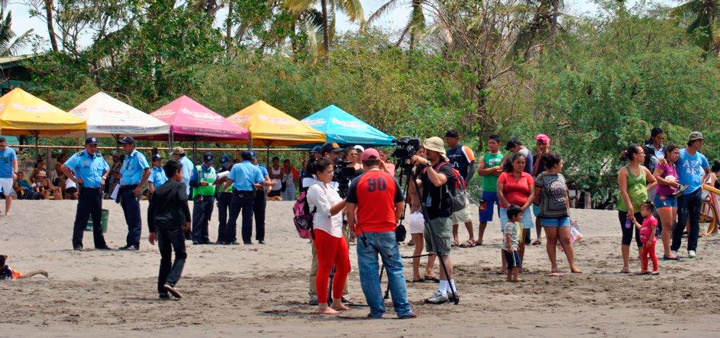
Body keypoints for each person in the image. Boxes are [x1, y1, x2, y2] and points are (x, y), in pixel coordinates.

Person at [346, 149, 416, 319]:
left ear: (363, 164)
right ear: (379, 161)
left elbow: (350, 211)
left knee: (369, 271)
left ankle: (377, 310)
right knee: (395, 269)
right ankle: (403, 310)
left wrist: (352, 227)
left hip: (365, 231)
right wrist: (392, 219)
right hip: (387, 230)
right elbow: (400, 206)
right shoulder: (390, 180)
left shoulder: (357, 181)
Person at [412, 137, 458, 304]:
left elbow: (438, 181)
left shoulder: (445, 168)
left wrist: (427, 164)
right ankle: (451, 288)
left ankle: (443, 291)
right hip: (429, 215)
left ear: (438, 152)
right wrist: (412, 169)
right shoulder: (426, 169)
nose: (426, 152)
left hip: (441, 216)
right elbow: (415, 188)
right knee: (440, 253)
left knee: (443, 254)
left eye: (429, 150)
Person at [306, 158, 350, 315]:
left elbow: (340, 208)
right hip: (323, 229)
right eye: (329, 172)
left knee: (345, 266)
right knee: (324, 267)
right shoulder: (315, 189)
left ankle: (337, 301)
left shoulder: (330, 187)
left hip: (337, 229)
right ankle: (322, 304)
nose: (332, 174)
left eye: (332, 171)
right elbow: (328, 211)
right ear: (318, 173)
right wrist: (347, 200)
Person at [147, 160, 191, 299]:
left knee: (165, 257)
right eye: (181, 172)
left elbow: (151, 210)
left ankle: (162, 290)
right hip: (173, 224)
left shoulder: (158, 189)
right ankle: (170, 282)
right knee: (181, 254)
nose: (182, 175)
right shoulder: (180, 186)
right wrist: (188, 220)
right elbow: (183, 201)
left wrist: (151, 230)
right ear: (176, 172)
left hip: (159, 226)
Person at [535, 153, 581, 274]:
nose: (562, 165)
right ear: (555, 164)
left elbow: (565, 194)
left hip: (563, 213)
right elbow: (536, 195)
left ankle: (572, 265)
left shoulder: (561, 176)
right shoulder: (541, 177)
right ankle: (554, 266)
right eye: (561, 163)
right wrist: (544, 206)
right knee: (551, 239)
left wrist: (568, 211)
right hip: (548, 214)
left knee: (566, 239)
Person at [62, 137, 111, 251]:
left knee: (97, 218)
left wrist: (104, 177)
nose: (93, 148)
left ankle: (100, 244)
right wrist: (74, 179)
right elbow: (64, 167)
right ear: (86, 146)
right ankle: (78, 244)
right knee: (82, 218)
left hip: (97, 191)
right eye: (91, 146)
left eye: (95, 146)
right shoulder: (78, 157)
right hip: (86, 190)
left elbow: (107, 168)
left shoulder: (99, 157)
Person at [617, 144, 657, 273]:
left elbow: (654, 181)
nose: (644, 155)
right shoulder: (624, 171)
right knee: (627, 235)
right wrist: (629, 207)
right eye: (641, 152)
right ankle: (625, 266)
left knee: (642, 236)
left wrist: (645, 189)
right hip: (626, 208)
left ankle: (643, 265)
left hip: (643, 208)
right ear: (634, 155)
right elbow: (623, 190)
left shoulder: (644, 169)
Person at [671, 132, 709, 259]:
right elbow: (670, 161)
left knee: (695, 221)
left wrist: (703, 182)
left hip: (697, 191)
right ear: (692, 141)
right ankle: (674, 247)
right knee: (681, 220)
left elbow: (707, 171)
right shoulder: (680, 154)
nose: (700, 143)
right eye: (698, 141)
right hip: (683, 191)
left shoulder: (701, 157)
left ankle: (692, 248)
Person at [497, 152, 535, 272]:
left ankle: (518, 265)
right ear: (512, 163)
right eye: (518, 162)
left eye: (523, 163)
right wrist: (508, 206)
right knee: (507, 238)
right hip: (506, 210)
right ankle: (505, 266)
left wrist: (524, 207)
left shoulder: (527, 177)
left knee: (520, 239)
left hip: (522, 211)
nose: (521, 165)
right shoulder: (504, 175)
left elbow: (532, 193)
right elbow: (500, 192)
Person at [407, 146, 438, 282]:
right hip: (423, 215)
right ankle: (429, 270)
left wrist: (410, 172)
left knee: (418, 247)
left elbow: (411, 190)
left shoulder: (414, 180)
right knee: (435, 245)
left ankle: (415, 275)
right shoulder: (425, 179)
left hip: (413, 215)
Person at [221, 151, 264, 245]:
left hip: (237, 194)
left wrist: (225, 187)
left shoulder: (236, 166)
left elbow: (231, 180)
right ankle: (247, 240)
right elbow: (261, 182)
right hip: (249, 194)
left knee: (232, 217)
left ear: (241, 158)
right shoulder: (255, 168)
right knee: (247, 218)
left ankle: (228, 239)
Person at [117, 136, 151, 251]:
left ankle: (134, 243)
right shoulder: (127, 158)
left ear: (132, 145)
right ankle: (130, 241)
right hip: (124, 189)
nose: (124, 147)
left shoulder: (138, 156)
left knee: (134, 217)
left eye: (126, 145)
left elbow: (147, 170)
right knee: (128, 217)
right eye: (123, 145)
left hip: (133, 189)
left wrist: (140, 186)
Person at [445, 130, 476, 248]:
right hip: (450, 187)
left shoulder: (464, 149)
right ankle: (455, 239)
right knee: (452, 214)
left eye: (450, 138)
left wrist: (466, 181)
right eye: (447, 139)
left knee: (464, 212)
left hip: (460, 187)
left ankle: (472, 238)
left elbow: (472, 166)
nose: (448, 141)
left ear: (456, 138)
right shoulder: (447, 153)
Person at [653, 145, 681, 260]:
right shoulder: (663, 163)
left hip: (673, 196)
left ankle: (668, 251)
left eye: (678, 153)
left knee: (671, 224)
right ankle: (667, 252)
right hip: (663, 197)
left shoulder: (673, 166)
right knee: (667, 225)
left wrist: (677, 186)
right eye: (675, 153)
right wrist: (669, 183)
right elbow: (656, 177)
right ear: (668, 153)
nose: (677, 155)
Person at [477, 134, 503, 245]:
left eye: (493, 143)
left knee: (503, 215)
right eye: (489, 143)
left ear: (498, 143)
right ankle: (480, 239)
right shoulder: (484, 157)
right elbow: (480, 172)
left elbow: (501, 173)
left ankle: (505, 237)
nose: (491, 145)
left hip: (500, 191)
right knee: (483, 214)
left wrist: (488, 170)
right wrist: (494, 168)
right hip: (486, 191)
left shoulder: (503, 157)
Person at [190, 152, 217, 245]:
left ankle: (205, 238)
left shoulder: (213, 170)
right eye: (206, 162)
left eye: (210, 162)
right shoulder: (197, 169)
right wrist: (199, 184)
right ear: (203, 160)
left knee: (206, 218)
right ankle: (196, 238)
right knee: (198, 218)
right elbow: (191, 183)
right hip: (200, 196)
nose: (208, 164)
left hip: (210, 196)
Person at [531, 134, 550, 245]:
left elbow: (551, 169)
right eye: (539, 144)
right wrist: (538, 158)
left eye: (543, 144)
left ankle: (549, 236)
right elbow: (533, 172)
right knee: (538, 214)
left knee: (549, 213)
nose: (541, 146)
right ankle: (538, 237)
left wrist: (546, 156)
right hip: (538, 187)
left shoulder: (551, 157)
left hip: (548, 187)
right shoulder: (534, 157)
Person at [251, 152, 274, 244]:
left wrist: (268, 186)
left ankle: (260, 238)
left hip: (260, 193)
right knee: (248, 217)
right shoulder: (247, 168)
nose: (252, 160)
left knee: (260, 216)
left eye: (253, 159)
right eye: (250, 159)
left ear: (256, 159)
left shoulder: (262, 168)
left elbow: (267, 178)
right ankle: (247, 238)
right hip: (250, 192)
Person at [632, 201, 659, 275]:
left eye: (642, 210)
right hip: (645, 241)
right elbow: (641, 228)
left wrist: (650, 241)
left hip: (650, 241)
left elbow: (654, 231)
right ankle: (644, 269)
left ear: (649, 210)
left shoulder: (652, 219)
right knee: (643, 255)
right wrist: (634, 221)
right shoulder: (645, 220)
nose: (641, 212)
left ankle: (655, 269)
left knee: (652, 255)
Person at [214, 155, 234, 244]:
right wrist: (217, 199)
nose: (225, 165)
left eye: (227, 163)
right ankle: (220, 238)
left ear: (230, 162)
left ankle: (232, 238)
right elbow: (216, 186)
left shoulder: (234, 170)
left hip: (232, 195)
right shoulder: (220, 171)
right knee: (222, 218)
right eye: (223, 163)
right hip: (222, 195)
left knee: (232, 217)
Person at [502, 205, 523, 282]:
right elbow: (508, 236)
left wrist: (516, 245)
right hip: (510, 248)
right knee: (515, 263)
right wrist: (510, 246)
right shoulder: (510, 225)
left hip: (512, 247)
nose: (521, 216)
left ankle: (509, 277)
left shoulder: (511, 224)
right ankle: (516, 277)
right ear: (514, 217)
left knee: (510, 264)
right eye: (520, 215)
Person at [0, 137, 17, 216]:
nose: (1, 147)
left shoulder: (11, 151)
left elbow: (15, 162)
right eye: (0, 146)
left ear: (6, 144)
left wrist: (15, 172)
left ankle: (7, 212)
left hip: (8, 176)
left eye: (3, 145)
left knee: (7, 194)